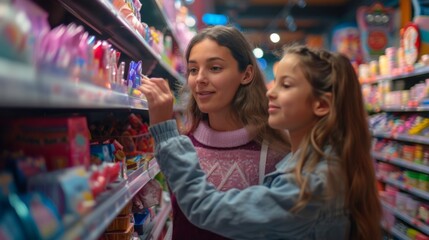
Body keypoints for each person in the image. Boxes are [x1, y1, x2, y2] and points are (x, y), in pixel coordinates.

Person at [139, 45, 382, 239]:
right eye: (193, 69)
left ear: (321, 105)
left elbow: (206, 208)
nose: (270, 92)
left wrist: (166, 131)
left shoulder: (311, 183)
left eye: (285, 85)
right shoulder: (308, 162)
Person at [162, 25, 290, 239]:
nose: (200, 79)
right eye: (193, 70)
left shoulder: (277, 153)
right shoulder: (181, 147)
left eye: (215, 68)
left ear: (247, 74)